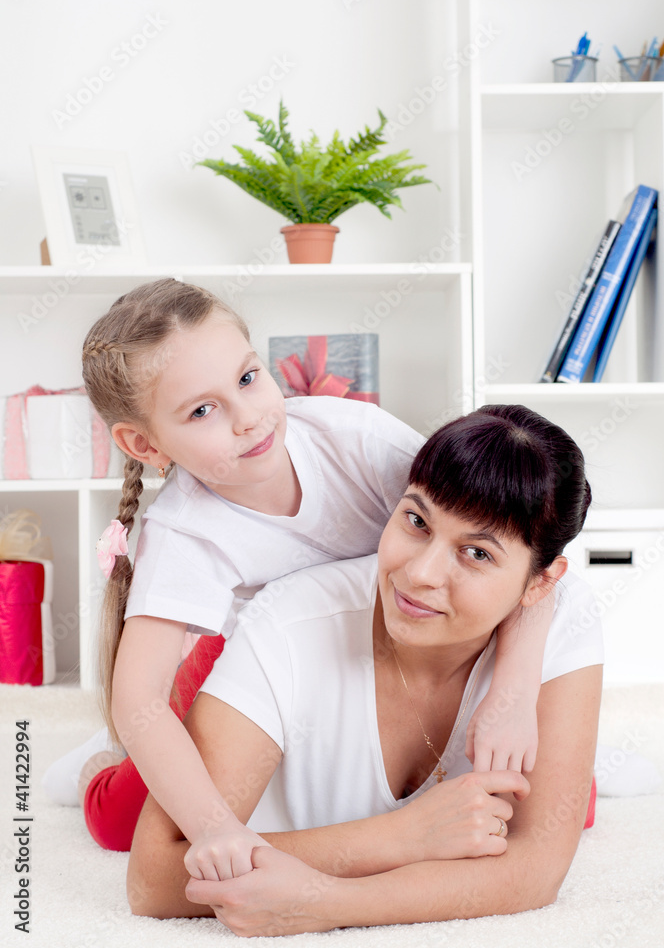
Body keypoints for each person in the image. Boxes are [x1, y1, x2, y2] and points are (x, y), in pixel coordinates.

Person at [45, 278, 558, 871]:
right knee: (123, 823)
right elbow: (140, 698)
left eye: (247, 378)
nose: (248, 419)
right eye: (203, 410)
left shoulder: (357, 440)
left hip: (403, 654)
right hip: (266, 677)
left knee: (545, 793)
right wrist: (215, 829)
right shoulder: (182, 533)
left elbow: (520, 555)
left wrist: (513, 697)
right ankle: (95, 764)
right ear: (145, 444)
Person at [126, 404, 603, 935]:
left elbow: (535, 870)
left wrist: (325, 903)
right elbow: (152, 879)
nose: (419, 574)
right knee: (116, 805)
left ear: (541, 582)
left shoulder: (563, 617)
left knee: (568, 804)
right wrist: (403, 837)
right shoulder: (287, 624)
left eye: (475, 554)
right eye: (416, 521)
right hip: (214, 667)